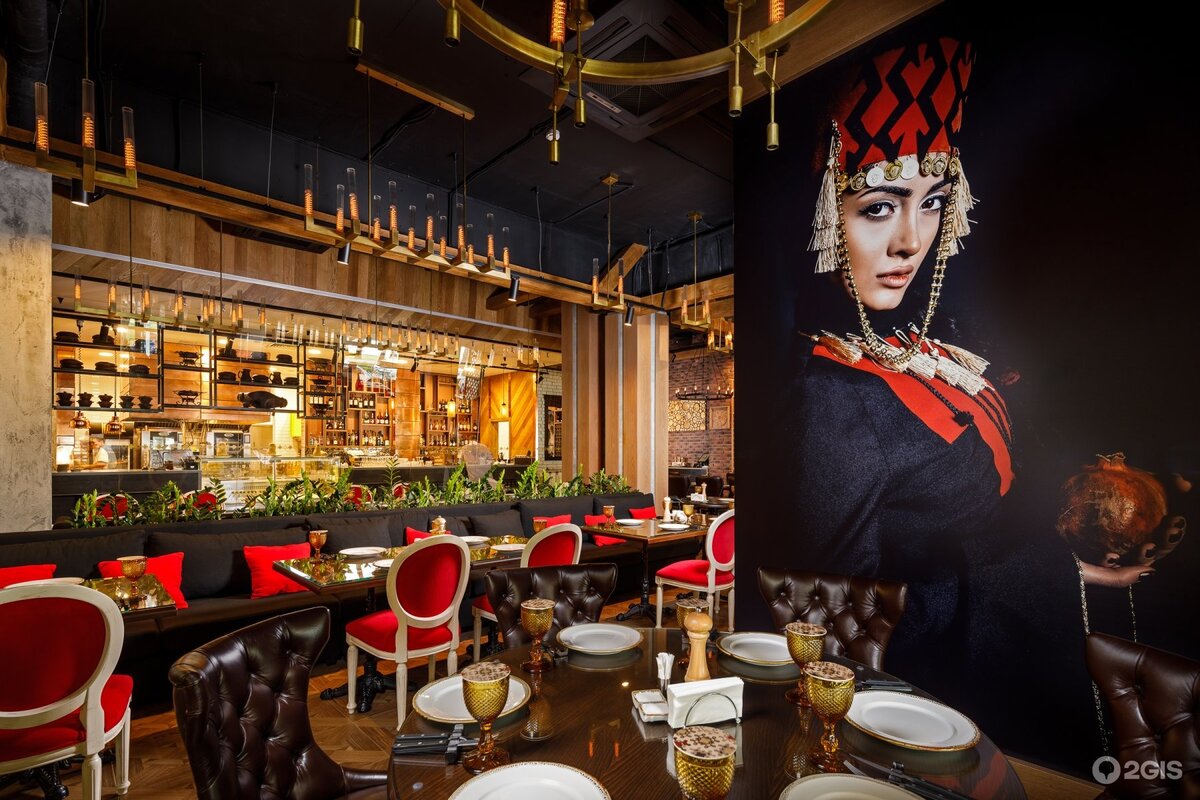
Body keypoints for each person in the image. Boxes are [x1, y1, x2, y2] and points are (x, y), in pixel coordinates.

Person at [788, 34, 1158, 768]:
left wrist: (1070, 544)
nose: (911, 240)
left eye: (931, 203)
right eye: (879, 207)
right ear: (830, 212)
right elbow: (842, 615)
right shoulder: (833, 399)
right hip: (937, 701)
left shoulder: (924, 349)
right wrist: (1053, 574)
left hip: (1013, 656)